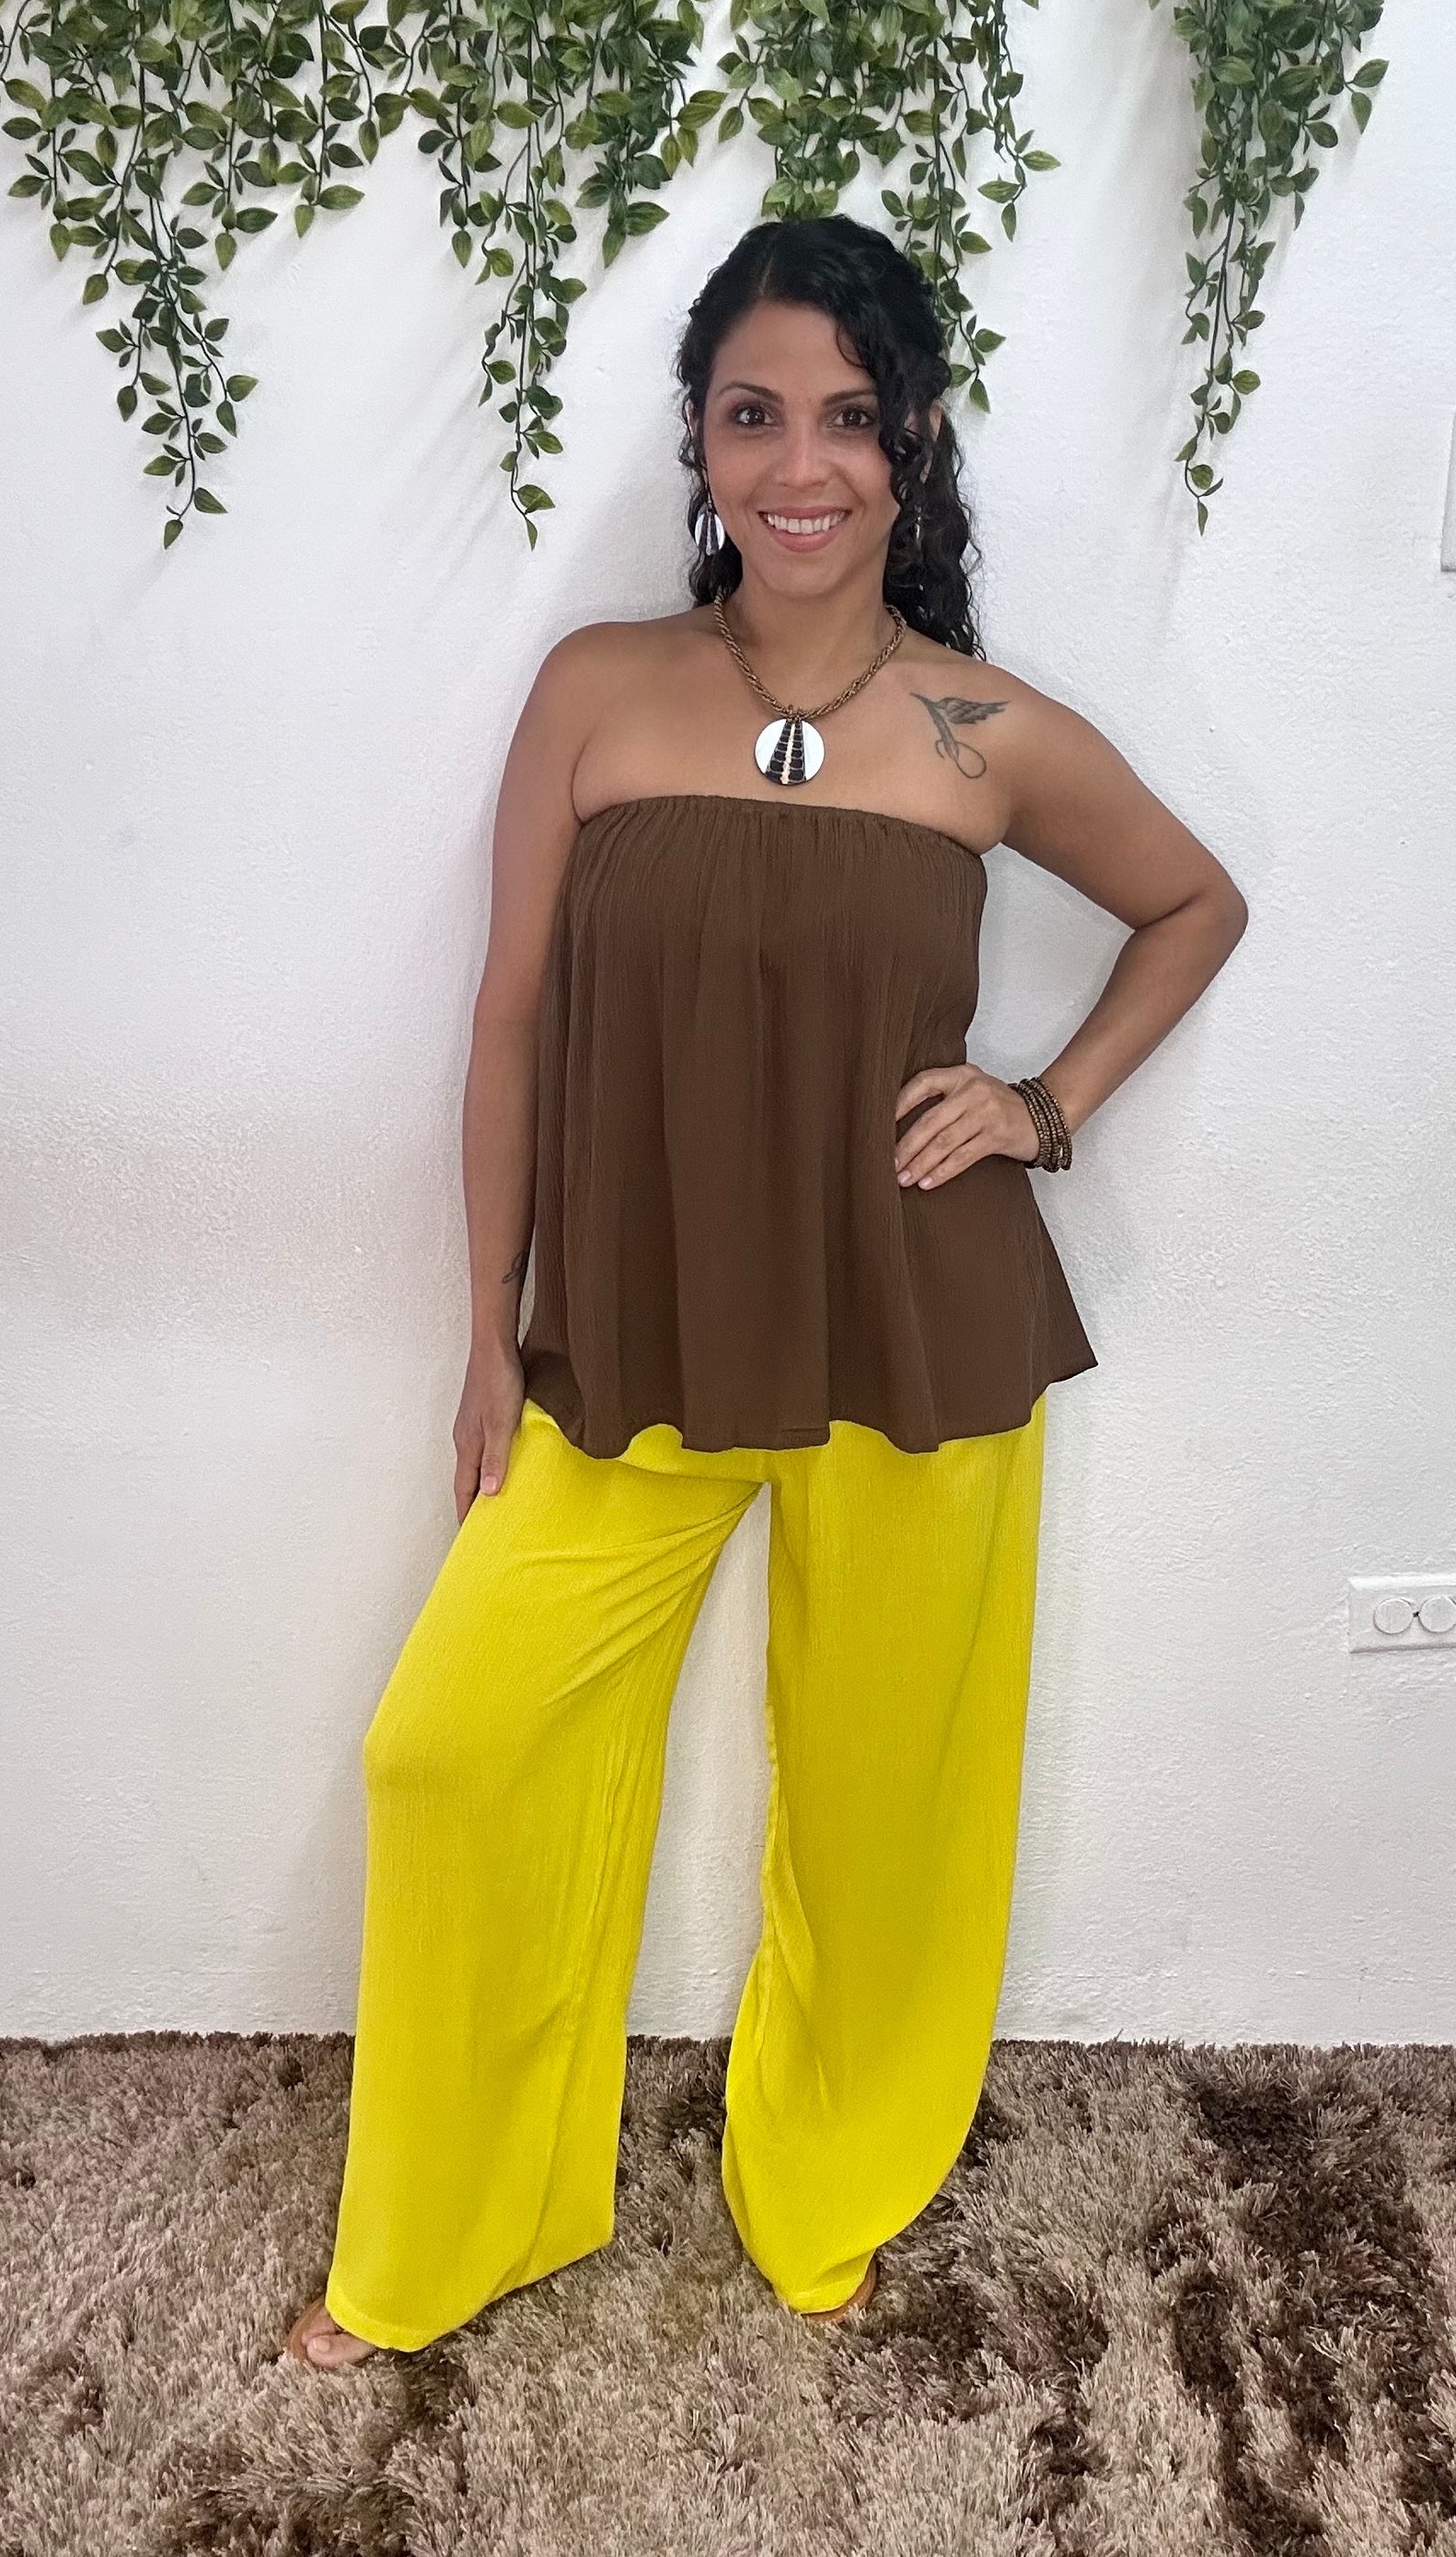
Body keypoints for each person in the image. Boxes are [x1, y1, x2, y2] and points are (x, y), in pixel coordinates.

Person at [286, 214, 1247, 2368]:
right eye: (751, 415)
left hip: (916, 1325)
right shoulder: (599, 689)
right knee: (456, 1752)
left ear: (912, 442)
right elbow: (509, 1019)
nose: (798, 465)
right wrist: (484, 1328)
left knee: (891, 1804)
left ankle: (824, 2186)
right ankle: (451, 2228)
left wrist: (1045, 1104)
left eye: (846, 417)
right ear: (702, 443)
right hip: (633, 1330)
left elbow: (1194, 901)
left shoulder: (984, 728)